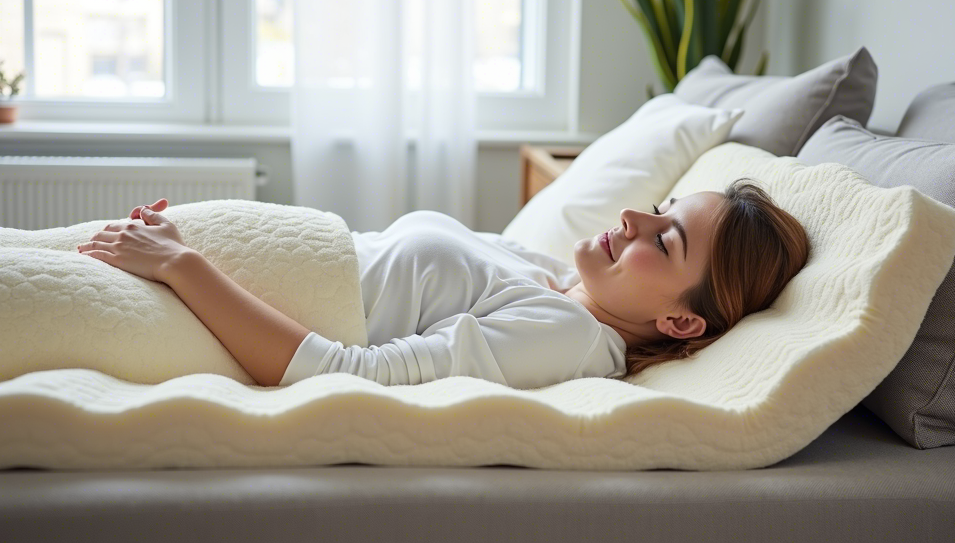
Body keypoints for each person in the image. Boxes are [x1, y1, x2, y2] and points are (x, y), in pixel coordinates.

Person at [78, 178, 808, 389]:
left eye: (667, 239)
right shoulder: (560, 281)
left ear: (683, 323)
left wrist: (181, 264)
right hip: (184, 262)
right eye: (658, 211)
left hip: (192, 294)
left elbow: (343, 374)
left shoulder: (563, 338)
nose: (633, 219)